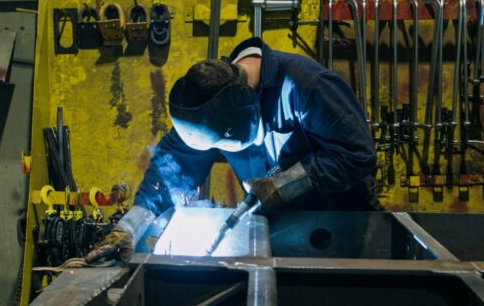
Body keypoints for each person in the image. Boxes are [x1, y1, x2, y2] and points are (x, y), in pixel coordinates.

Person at [85, 37, 378, 263]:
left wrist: (286, 183)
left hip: (341, 235)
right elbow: (172, 172)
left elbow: (357, 154)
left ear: (249, 108)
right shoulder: (210, 103)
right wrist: (129, 227)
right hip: (277, 237)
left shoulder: (307, 86)